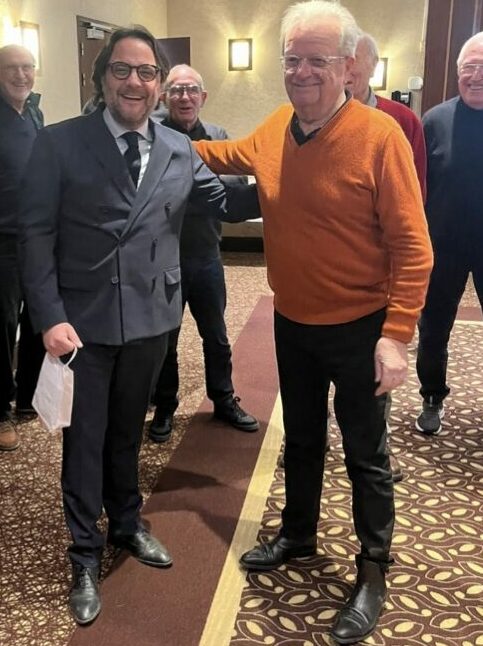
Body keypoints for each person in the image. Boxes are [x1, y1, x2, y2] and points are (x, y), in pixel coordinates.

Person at [194, 1, 433, 643]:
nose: (301, 71)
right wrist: (157, 142)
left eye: (317, 60)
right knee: (300, 439)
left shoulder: (379, 137)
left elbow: (414, 248)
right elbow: (222, 154)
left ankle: (373, 570)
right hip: (292, 321)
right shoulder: (277, 126)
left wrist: (396, 336)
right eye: (292, 59)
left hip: (360, 327)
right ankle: (299, 534)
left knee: (366, 456)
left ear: (349, 66)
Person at [18, 27, 257, 626]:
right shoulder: (59, 142)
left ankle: (126, 522)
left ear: (159, 84)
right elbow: (35, 235)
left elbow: (228, 203)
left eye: (147, 72)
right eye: (122, 69)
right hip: (81, 324)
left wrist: (299, 173)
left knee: (127, 432)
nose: (135, 82)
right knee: (85, 440)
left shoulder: (178, 148)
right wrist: (48, 316)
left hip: (152, 319)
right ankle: (83, 552)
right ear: (102, 77)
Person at [148, 64, 258, 443]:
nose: (185, 97)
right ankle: (165, 405)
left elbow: (232, 189)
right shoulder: (154, 135)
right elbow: (155, 194)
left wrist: (186, 191)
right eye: (177, 90)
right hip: (163, 259)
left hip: (206, 255)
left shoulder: (218, 136)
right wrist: (203, 189)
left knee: (216, 335)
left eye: (192, 90)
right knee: (166, 339)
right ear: (165, 96)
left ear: (203, 97)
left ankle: (223, 399)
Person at [346, 30, 428, 482]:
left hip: (379, 273)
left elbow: (415, 198)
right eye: (340, 60)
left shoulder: (401, 121)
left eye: (354, 61)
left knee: (377, 366)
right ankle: (313, 442)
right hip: (326, 275)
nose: (346, 70)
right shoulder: (310, 117)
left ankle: (377, 450)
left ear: (372, 68)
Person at [415, 31, 483, 435]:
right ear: (458, 73)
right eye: (469, 68)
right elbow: (417, 188)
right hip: (443, 245)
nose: (476, 76)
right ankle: (432, 395)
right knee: (434, 326)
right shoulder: (434, 121)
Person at [0, 45, 44, 452]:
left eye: (27, 67)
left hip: (36, 237)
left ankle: (29, 394)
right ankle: (1, 410)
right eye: (12, 68)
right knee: (3, 325)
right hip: (3, 242)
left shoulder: (33, 112)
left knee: (37, 317)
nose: (21, 75)